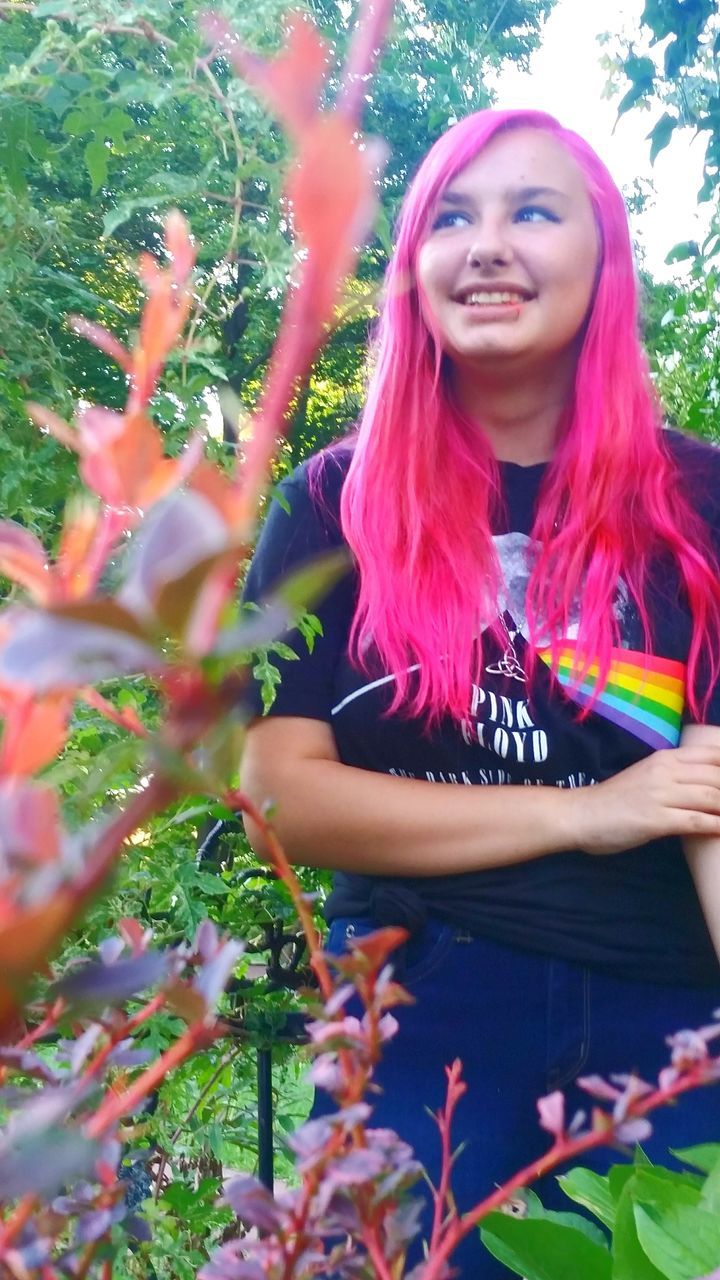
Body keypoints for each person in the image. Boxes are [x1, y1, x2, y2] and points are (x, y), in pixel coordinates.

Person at [240, 108, 720, 1277]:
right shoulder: (334, 503)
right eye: (452, 216)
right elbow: (282, 794)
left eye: (533, 212)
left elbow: (710, 799)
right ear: (413, 268)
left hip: (667, 1012)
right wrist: (591, 811)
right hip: (418, 1005)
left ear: (604, 258)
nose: (487, 244)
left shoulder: (701, 499)